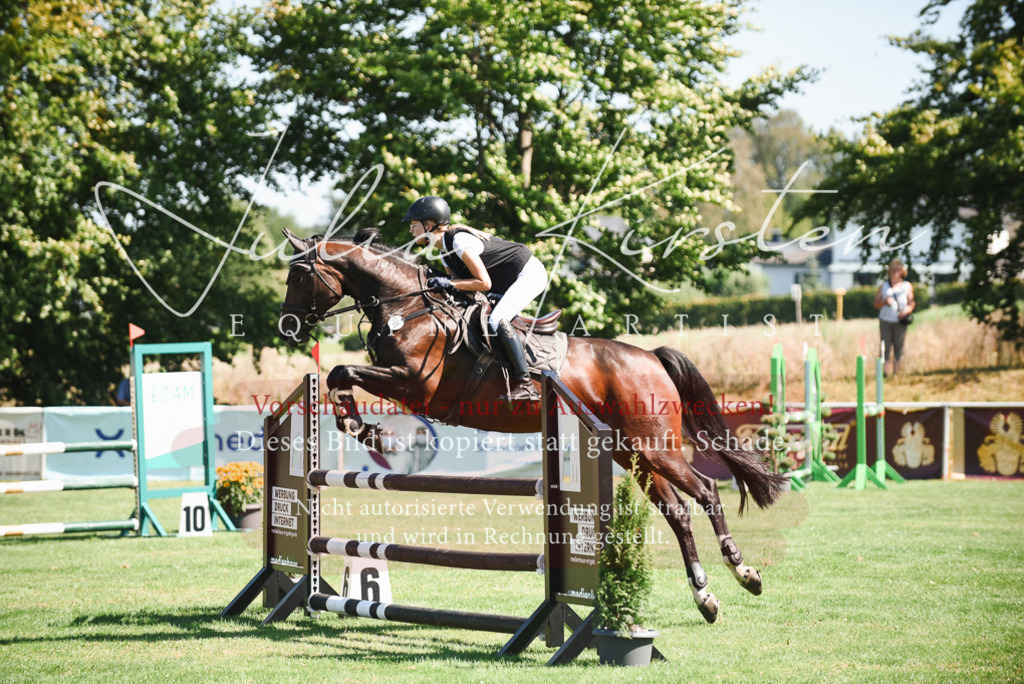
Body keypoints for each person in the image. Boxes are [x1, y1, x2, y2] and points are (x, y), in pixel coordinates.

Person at [404, 196, 545, 402]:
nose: (411, 230)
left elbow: (483, 283)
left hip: (528, 274)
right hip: (504, 283)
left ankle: (526, 384)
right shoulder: (444, 253)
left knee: (496, 319)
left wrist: (450, 283)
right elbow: (463, 288)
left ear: (429, 225)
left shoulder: (459, 242)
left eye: (414, 224)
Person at [874, 258, 915, 376]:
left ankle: (896, 373)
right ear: (889, 271)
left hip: (900, 321)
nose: (895, 272)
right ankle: (884, 373)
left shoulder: (907, 286)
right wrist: (884, 301)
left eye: (897, 270)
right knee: (885, 347)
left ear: (902, 272)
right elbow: (875, 303)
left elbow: (912, 302)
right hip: (886, 321)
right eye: (893, 270)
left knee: (899, 346)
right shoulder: (884, 286)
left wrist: (907, 310)